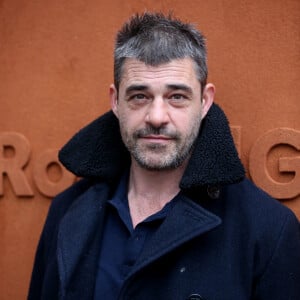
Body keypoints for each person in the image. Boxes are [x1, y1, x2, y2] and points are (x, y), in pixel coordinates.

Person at [28, 12, 300, 300]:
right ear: (116, 101)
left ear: (205, 101)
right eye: (140, 96)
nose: (156, 117)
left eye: (177, 97)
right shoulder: (67, 211)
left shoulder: (268, 230)